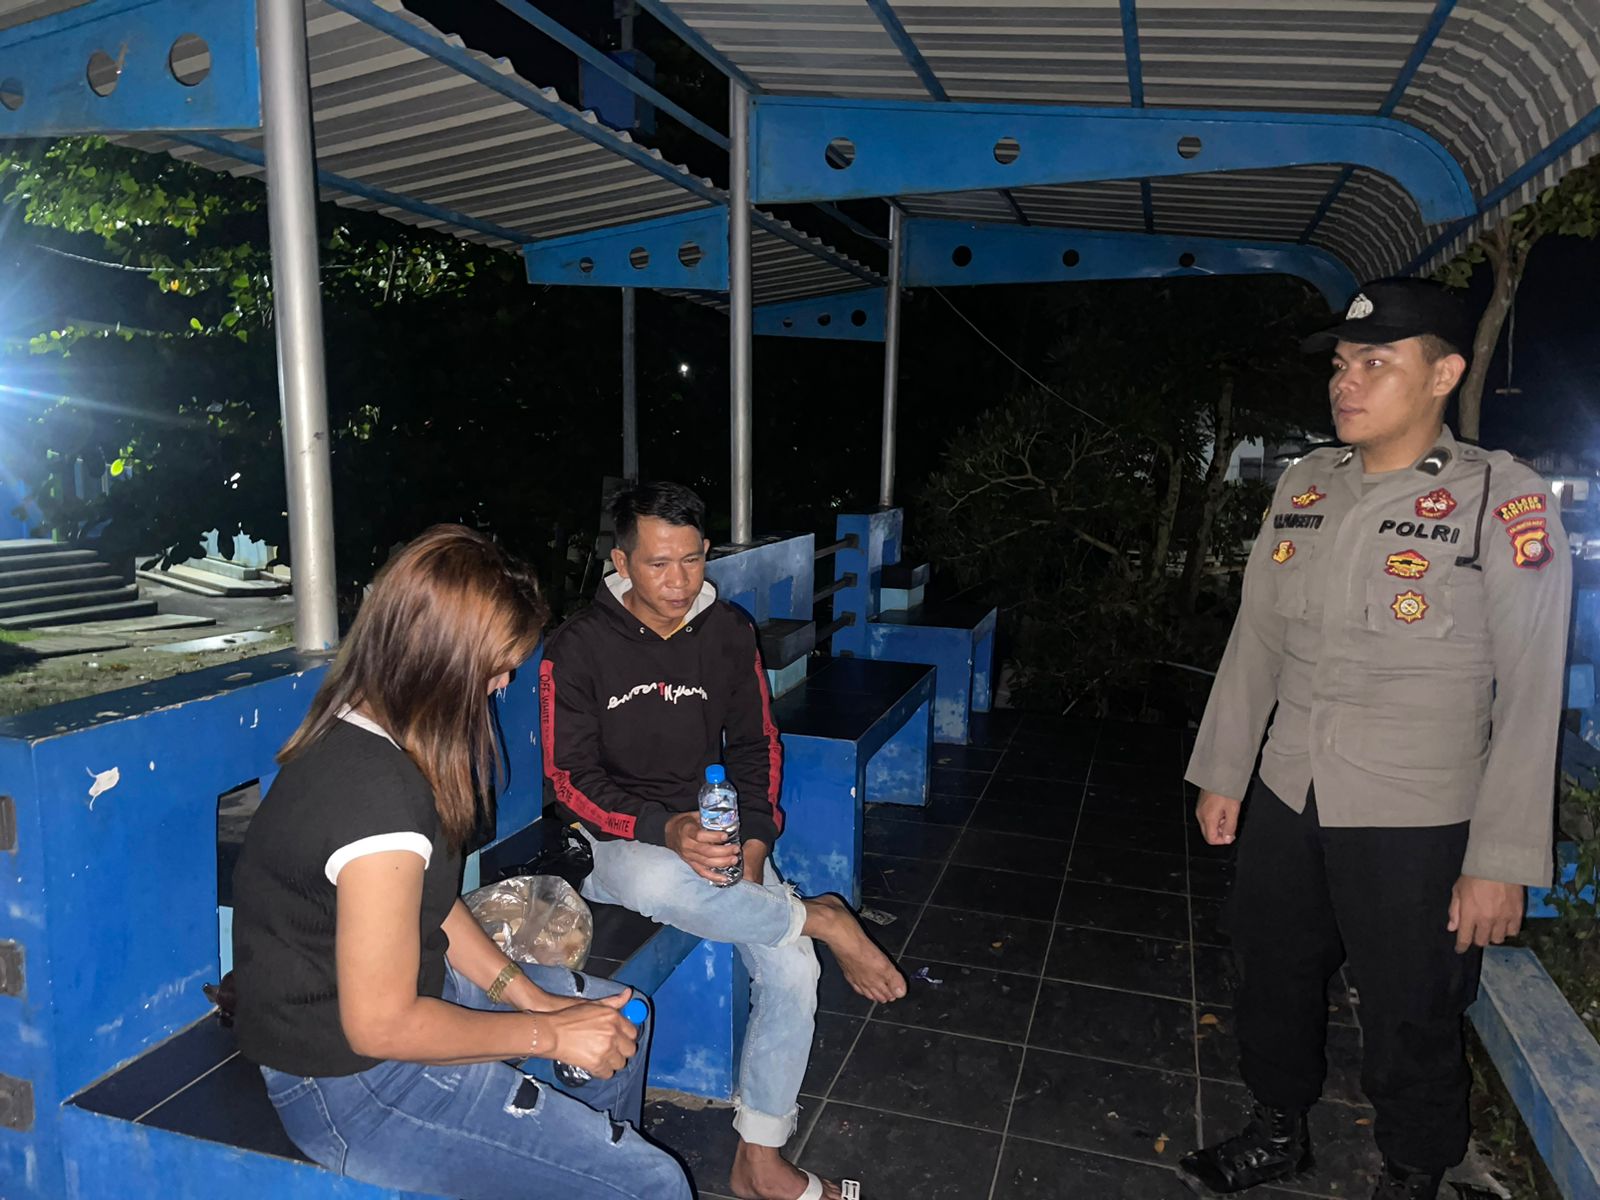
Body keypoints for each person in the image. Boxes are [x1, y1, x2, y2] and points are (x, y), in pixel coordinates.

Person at [1178, 280, 1572, 1200]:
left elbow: (1531, 692)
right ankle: (1278, 1129)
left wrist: (1500, 859)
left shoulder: (1499, 500)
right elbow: (1257, 638)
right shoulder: (1306, 483)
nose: (1345, 383)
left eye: (1375, 364)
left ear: (1443, 374)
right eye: (1342, 363)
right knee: (1269, 975)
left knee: (1412, 1008)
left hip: (1417, 813)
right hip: (1289, 787)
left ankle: (1414, 1170)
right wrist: (1224, 770)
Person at [230, 525, 692, 1200]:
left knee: (615, 1026)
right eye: (496, 667)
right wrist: (547, 1035)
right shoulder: (376, 800)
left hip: (412, 1002)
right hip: (352, 1081)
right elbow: (380, 1025)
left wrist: (531, 996)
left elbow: (431, 900)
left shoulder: (380, 729)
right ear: (440, 660)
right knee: (655, 1183)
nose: (504, 684)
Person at [541, 481, 907, 1200]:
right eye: (657, 564)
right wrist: (665, 829)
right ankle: (823, 917)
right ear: (621, 562)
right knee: (656, 880)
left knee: (792, 968)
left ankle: (759, 1159)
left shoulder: (729, 631)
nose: (678, 581)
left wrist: (756, 845)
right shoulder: (579, 646)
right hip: (616, 836)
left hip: (714, 827)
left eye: (691, 560)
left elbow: (755, 745)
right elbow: (568, 779)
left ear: (706, 551)